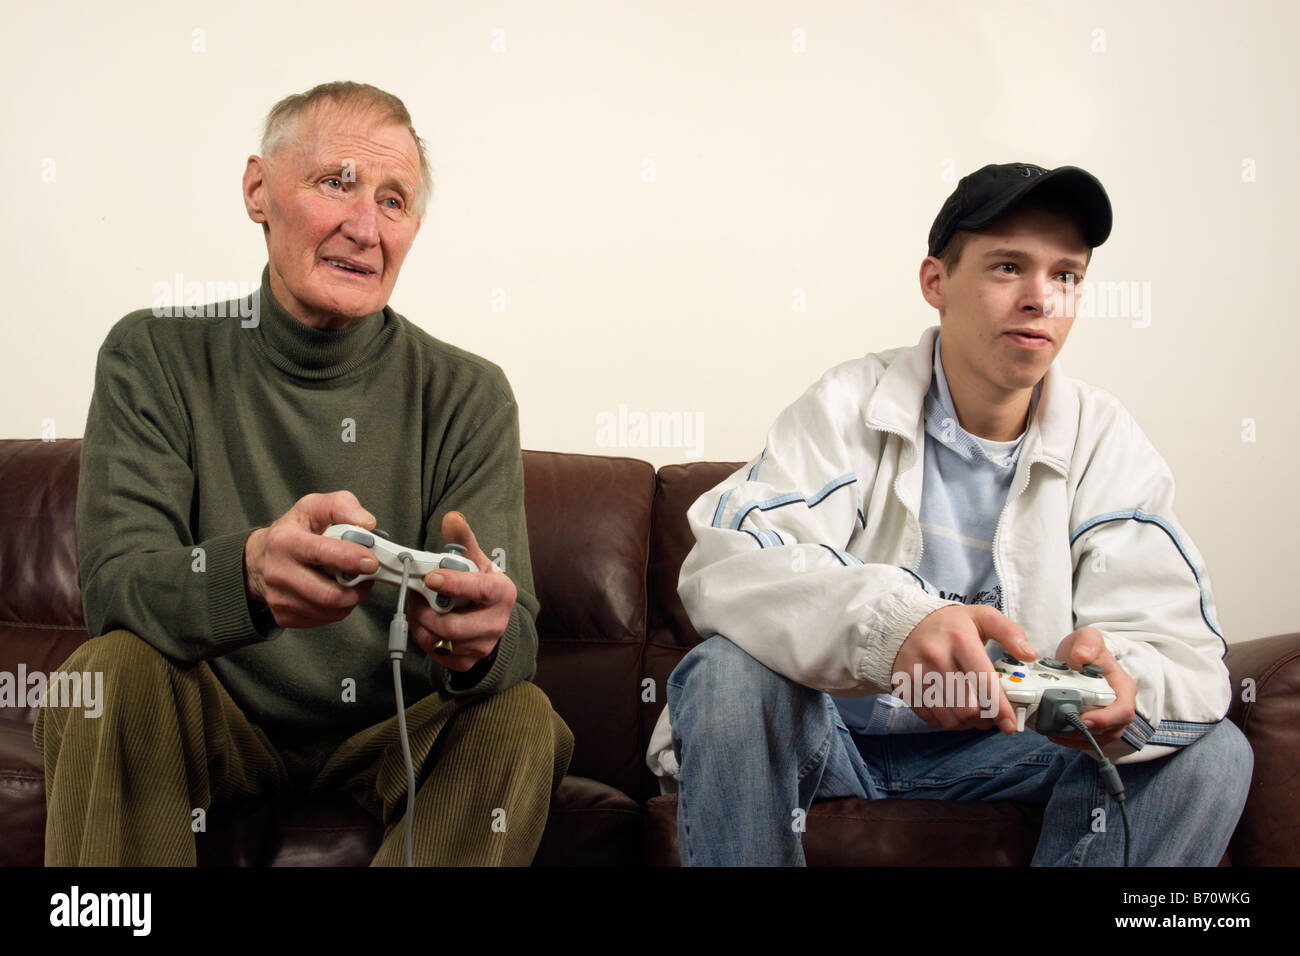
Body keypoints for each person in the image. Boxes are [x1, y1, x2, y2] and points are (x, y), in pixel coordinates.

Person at [646, 162, 1253, 866]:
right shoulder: (847, 403)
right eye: (1007, 267)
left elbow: (1180, 647)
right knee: (728, 672)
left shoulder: (1106, 440)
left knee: (1211, 753)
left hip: (1012, 749)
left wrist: (1125, 685)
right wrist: (896, 628)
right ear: (936, 283)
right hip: (831, 741)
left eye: (1065, 276)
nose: (1040, 299)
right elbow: (730, 562)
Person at [34, 81, 573, 866]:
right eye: (338, 183)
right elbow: (119, 590)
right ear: (259, 191)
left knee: (521, 717)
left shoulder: (469, 392)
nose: (365, 226)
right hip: (211, 714)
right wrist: (248, 575)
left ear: (414, 228)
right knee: (105, 676)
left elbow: (515, 635)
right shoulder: (153, 355)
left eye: (394, 201)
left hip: (393, 726)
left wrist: (480, 643)